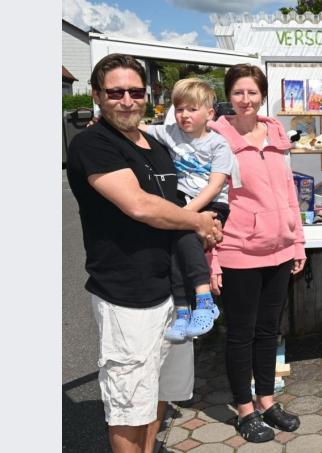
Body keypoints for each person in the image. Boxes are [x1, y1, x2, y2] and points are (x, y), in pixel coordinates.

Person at [66, 53, 222, 453]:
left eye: (135, 92)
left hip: (173, 291)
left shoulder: (155, 144)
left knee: (159, 394)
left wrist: (208, 220)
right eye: (115, 92)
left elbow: (179, 200)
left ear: (147, 95)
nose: (127, 100)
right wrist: (197, 222)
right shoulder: (92, 144)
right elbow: (140, 206)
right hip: (127, 297)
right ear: (97, 95)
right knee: (129, 406)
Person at [207, 64, 307, 443]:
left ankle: (267, 401)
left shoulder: (276, 134)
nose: (245, 99)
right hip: (238, 250)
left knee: (269, 331)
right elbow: (211, 202)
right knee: (241, 334)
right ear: (228, 96)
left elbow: (289, 192)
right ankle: (244, 409)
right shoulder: (216, 138)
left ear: (262, 95)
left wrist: (297, 241)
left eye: (252, 92)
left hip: (279, 249)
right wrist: (212, 259)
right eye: (238, 92)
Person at [143, 78, 240, 342]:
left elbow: (215, 186)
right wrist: (101, 123)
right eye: (179, 109)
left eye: (192, 109)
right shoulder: (169, 132)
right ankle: (183, 311)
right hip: (184, 202)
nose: (184, 115)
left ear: (209, 113)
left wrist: (186, 215)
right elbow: (136, 128)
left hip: (212, 203)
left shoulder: (218, 145)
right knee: (176, 248)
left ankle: (204, 299)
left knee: (184, 234)